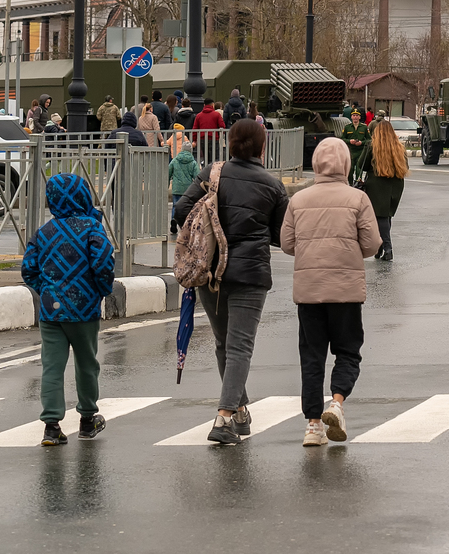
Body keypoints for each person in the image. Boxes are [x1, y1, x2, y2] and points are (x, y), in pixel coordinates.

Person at [172, 118, 288, 445]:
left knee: (224, 343)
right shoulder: (273, 186)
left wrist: (207, 232)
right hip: (250, 275)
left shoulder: (212, 173)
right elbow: (280, 236)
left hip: (210, 272)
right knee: (239, 346)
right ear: (262, 146)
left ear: (231, 143)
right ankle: (223, 418)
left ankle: (239, 411)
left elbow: (182, 208)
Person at [281, 136, 381, 446]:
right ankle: (336, 403)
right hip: (346, 290)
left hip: (309, 291)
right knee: (348, 351)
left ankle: (313, 426)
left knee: (311, 357)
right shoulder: (358, 199)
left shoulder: (298, 200)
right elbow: (372, 244)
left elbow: (286, 244)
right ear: (347, 164)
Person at [21, 172, 116, 445]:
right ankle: (88, 420)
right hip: (84, 311)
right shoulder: (91, 228)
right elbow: (103, 263)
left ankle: (51, 426)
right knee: (87, 364)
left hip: (51, 312)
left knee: (52, 366)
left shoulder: (44, 232)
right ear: (82, 195)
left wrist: (47, 290)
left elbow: (29, 269)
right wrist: (100, 289)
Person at [363, 119, 409, 262]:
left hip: (376, 185)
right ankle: (381, 248)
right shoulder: (399, 147)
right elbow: (405, 167)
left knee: (380, 217)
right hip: (396, 185)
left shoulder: (372, 147)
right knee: (387, 216)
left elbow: (362, 165)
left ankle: (387, 249)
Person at [340, 113, 373, 181]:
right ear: (351, 117)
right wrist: (349, 141)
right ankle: (350, 185)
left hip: (360, 152)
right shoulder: (347, 127)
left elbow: (369, 139)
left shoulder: (364, 127)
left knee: (359, 170)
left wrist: (362, 142)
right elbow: (342, 139)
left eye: (357, 116)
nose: (355, 117)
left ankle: (358, 185)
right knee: (350, 170)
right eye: (354, 115)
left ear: (359, 117)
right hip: (350, 152)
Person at [170, 140, 200, 206]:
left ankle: (174, 216)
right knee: (186, 207)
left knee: (175, 206)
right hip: (188, 189)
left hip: (176, 189)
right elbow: (197, 177)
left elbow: (168, 173)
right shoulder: (193, 163)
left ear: (182, 149)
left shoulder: (175, 160)